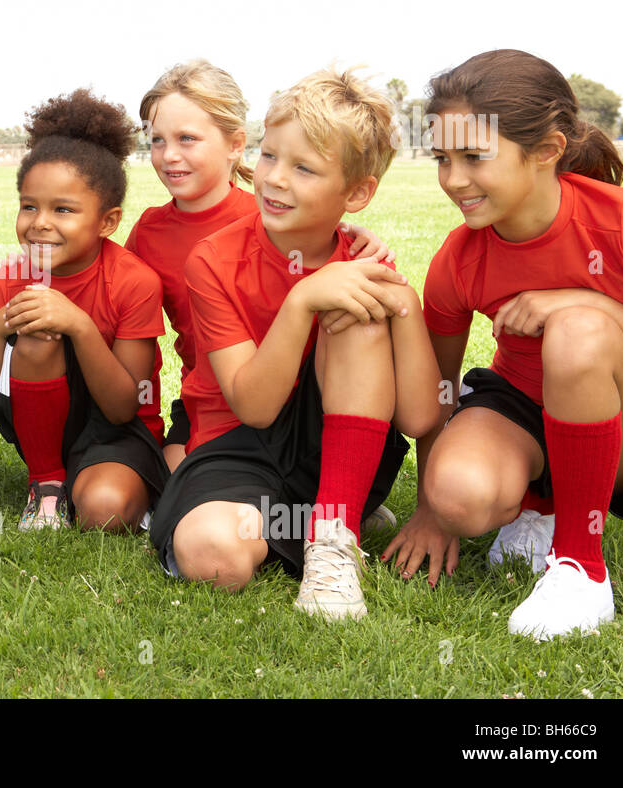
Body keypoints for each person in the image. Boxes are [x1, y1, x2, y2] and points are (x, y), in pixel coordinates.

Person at [148, 68, 440, 619]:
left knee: (356, 311)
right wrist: (303, 298)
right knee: (214, 558)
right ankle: (316, 514)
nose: (275, 179)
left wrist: (402, 301)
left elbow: (421, 415)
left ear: (357, 193)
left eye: (304, 167)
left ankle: (333, 534)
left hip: (331, 444)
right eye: (268, 156)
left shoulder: (362, 262)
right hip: (237, 446)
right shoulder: (213, 259)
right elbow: (253, 408)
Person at [384, 49, 623, 640]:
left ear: (547, 151)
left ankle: (580, 565)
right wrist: (430, 509)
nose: (454, 180)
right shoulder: (458, 258)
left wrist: (593, 305)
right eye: (442, 159)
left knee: (578, 329)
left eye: (475, 157)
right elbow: (440, 391)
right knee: (457, 495)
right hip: (525, 410)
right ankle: (539, 508)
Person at [127, 59, 390, 471]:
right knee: (171, 475)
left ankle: (328, 486)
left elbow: (326, 232)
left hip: (306, 394)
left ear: (236, 144)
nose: (169, 155)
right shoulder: (148, 233)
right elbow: (129, 326)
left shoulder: (273, 215)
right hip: (212, 402)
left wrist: (359, 235)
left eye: (187, 138)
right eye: (157, 140)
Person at [0, 89, 168, 532]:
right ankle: (46, 485)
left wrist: (79, 324)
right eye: (29, 206)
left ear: (108, 221)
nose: (40, 222)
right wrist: (0, 331)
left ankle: (121, 487)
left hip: (117, 432)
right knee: (37, 327)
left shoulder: (133, 281)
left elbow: (123, 408)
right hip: (41, 427)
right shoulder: (8, 280)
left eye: (63, 209)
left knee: (104, 511)